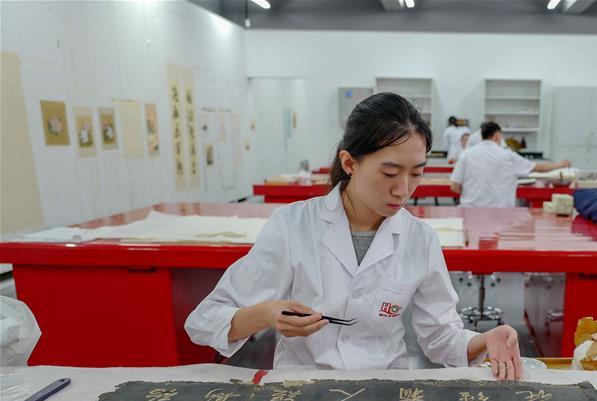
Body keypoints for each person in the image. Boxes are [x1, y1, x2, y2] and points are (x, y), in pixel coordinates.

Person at [185, 93, 523, 380]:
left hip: (384, 389)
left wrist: (484, 339)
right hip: (303, 388)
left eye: (416, 173)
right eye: (389, 172)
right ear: (349, 162)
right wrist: (265, 315)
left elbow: (440, 335)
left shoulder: (419, 239)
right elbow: (205, 321)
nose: (403, 189)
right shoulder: (293, 225)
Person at [449, 122, 571, 208]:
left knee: (472, 242)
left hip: (470, 212)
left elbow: (454, 187)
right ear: (497, 136)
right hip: (501, 214)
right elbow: (538, 168)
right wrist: (561, 164)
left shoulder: (466, 154)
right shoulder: (508, 156)